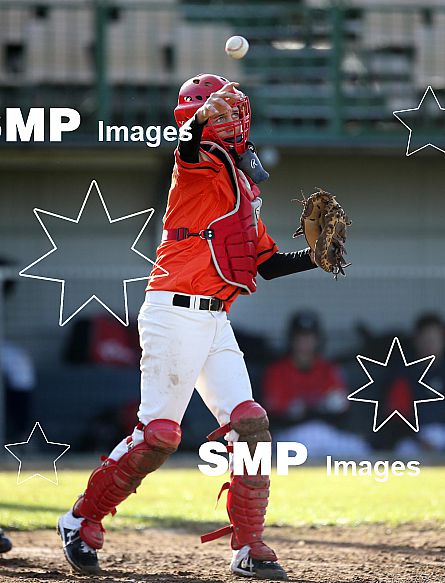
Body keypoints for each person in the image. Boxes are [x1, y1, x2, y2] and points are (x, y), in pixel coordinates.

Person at [57, 74, 319, 579]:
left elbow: (265, 263)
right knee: (158, 436)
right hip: (173, 313)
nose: (230, 120)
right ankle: (80, 520)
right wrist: (200, 119)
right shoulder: (196, 164)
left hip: (216, 319)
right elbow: (187, 145)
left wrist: (314, 257)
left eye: (231, 112)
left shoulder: (242, 189)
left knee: (251, 425)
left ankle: (248, 546)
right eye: (219, 112)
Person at [262, 312, 367, 458]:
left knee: (359, 447)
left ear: (318, 340)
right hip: (290, 433)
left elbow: (341, 408)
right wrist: (316, 407)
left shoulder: (328, 369)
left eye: (310, 337)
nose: (305, 343)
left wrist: (312, 408)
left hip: (324, 431)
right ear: (291, 339)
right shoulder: (278, 371)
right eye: (300, 337)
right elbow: (277, 414)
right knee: (306, 444)